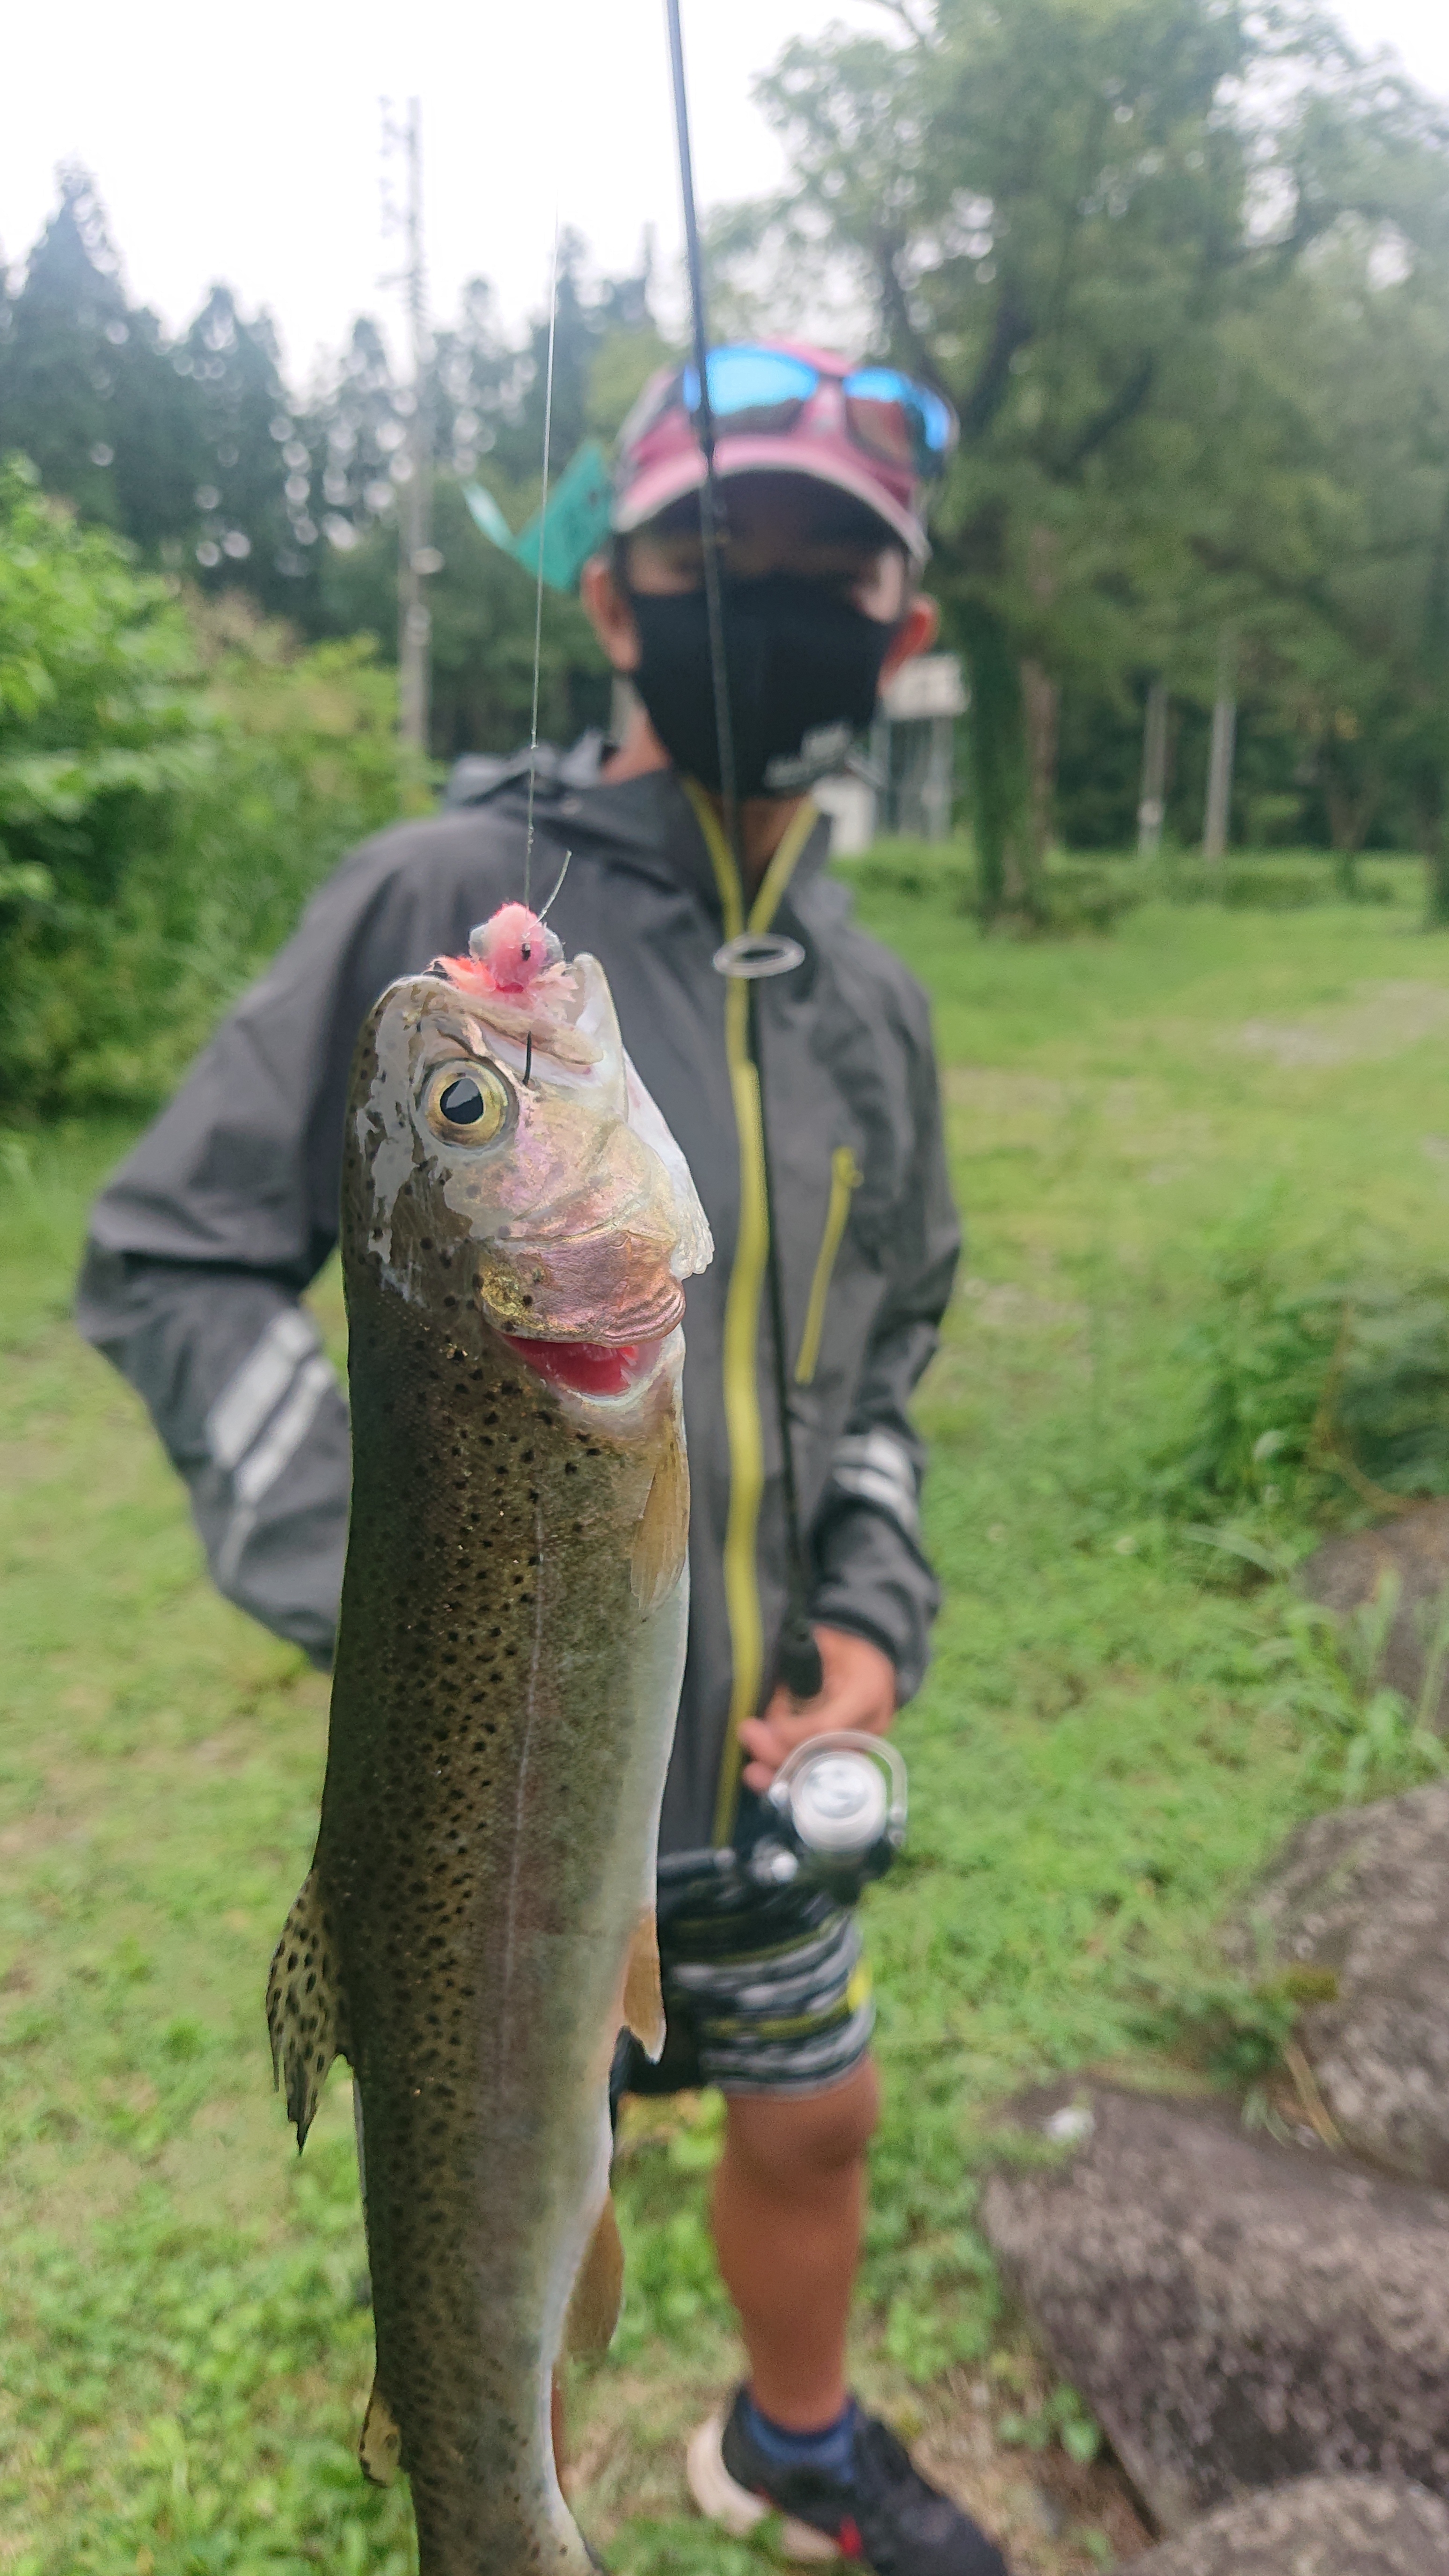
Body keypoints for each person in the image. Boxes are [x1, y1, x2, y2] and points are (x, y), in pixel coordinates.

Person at [76, 341, 1009, 2576]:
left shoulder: (870, 1000)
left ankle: (792, 2437)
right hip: (481, 1817)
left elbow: (888, 1358)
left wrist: (868, 1613)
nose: (765, 598)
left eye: (825, 565)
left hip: (771, 1761)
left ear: (907, 625)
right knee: (503, 2177)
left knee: (817, 2096)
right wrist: (395, 1575)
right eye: (715, 554)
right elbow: (170, 1256)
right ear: (610, 597)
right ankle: (501, 2471)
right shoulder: (445, 908)